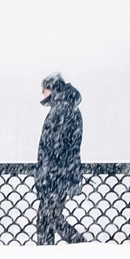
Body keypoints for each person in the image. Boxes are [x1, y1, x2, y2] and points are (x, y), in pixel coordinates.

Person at [33, 73, 85, 244]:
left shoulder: (62, 109)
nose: (42, 93)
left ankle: (80, 244)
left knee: (48, 218)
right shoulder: (67, 107)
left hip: (56, 175)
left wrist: (48, 170)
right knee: (48, 218)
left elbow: (55, 144)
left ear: (53, 89)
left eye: (44, 89)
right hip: (60, 173)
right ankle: (48, 251)